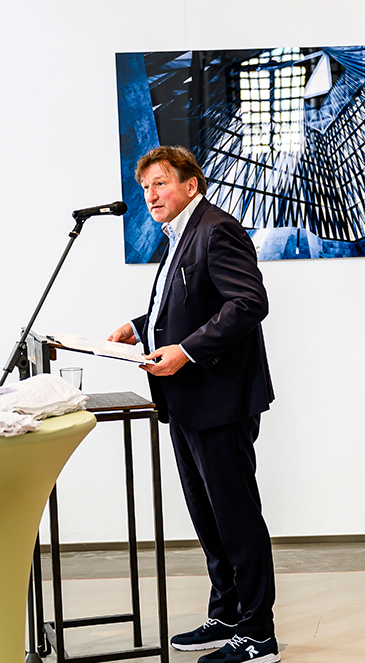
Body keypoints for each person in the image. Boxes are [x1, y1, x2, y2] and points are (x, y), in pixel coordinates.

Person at [109, 146, 279, 663]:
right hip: (185, 400)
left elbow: (248, 303)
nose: (150, 195)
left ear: (190, 185)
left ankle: (259, 634)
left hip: (219, 398)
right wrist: (139, 326)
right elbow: (185, 304)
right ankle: (226, 613)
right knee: (207, 515)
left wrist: (184, 351)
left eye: (160, 183)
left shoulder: (216, 229)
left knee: (235, 516)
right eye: (145, 187)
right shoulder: (181, 234)